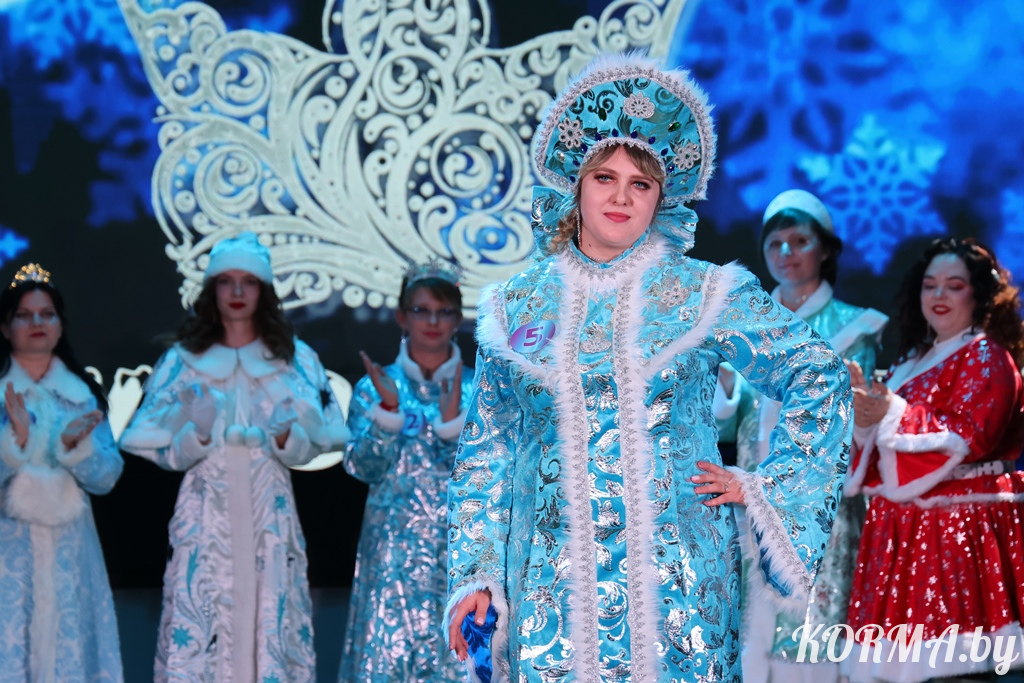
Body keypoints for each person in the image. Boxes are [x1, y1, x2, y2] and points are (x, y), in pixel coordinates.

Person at [444, 53, 853, 683]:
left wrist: (767, 485)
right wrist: (476, 575)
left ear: (662, 197)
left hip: (678, 594)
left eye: (641, 184)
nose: (620, 196)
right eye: (605, 177)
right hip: (551, 595)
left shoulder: (705, 292)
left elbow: (818, 373)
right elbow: (488, 452)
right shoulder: (514, 307)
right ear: (575, 185)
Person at [119, 232, 349, 682]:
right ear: (213, 289)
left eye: (249, 281)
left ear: (263, 290)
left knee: (271, 615)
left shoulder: (294, 359)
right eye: (227, 281)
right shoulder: (183, 360)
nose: (238, 292)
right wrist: (197, 434)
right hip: (206, 508)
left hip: (270, 507)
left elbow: (321, 438)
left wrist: (287, 438)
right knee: (204, 608)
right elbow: (157, 445)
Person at [714, 190, 887, 683]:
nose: (785, 253)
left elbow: (852, 424)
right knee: (751, 628)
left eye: (799, 241)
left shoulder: (855, 327)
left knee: (809, 632)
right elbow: (728, 427)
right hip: (749, 498)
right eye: (775, 244)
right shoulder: (747, 327)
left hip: (818, 505)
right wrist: (724, 387)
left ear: (825, 249)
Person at [842, 237, 1024, 682]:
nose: (939, 295)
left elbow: (971, 434)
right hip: (903, 534)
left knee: (956, 668)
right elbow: (883, 443)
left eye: (954, 285)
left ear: (979, 294)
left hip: (958, 532)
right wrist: (866, 417)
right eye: (930, 285)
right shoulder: (912, 359)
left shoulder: (988, 355)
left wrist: (890, 411)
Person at [338, 258, 474, 682]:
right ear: (401, 317)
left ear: (458, 319)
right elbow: (361, 467)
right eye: (421, 310)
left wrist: (453, 426)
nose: (432, 322)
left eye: (444, 311)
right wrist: (388, 412)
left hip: (460, 552)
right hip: (392, 555)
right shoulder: (376, 387)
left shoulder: (480, 388)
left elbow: (493, 476)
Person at [0, 263, 124, 681]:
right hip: (7, 556)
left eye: (47, 314)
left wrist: (74, 448)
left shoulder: (81, 395)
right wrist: (14, 442)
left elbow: (106, 477)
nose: (37, 323)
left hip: (71, 555)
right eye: (24, 315)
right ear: (5, 327)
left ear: (60, 325)